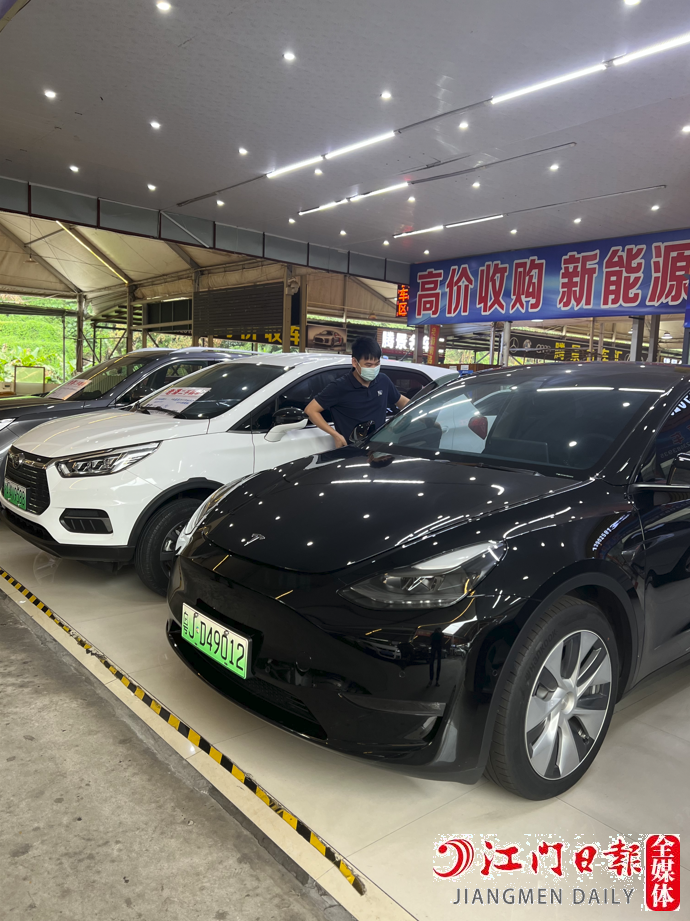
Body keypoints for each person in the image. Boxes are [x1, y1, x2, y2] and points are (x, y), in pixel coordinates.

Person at [305, 337, 410, 448]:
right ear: (355, 362)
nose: (373, 368)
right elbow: (311, 410)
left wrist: (419, 414)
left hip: (379, 448)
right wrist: (336, 435)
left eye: (377, 364)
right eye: (368, 365)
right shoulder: (340, 386)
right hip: (353, 451)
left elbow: (403, 402)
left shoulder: (383, 380)